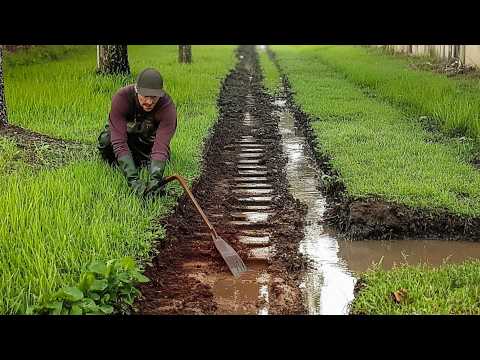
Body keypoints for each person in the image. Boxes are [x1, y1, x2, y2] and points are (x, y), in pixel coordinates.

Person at [97, 68, 177, 197]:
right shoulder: (122, 98)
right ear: (136, 90)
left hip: (147, 142)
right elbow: (119, 141)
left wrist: (155, 180)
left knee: (162, 158)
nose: (150, 102)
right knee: (106, 140)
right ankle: (119, 163)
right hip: (126, 138)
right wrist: (134, 181)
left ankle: (141, 161)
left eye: (154, 97)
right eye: (145, 96)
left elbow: (161, 146)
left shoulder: (167, 107)